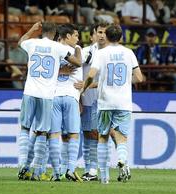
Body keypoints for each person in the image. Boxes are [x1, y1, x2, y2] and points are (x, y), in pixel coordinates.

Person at [17, 22, 81, 180]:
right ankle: (37, 171)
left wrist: (32, 29)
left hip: (29, 91)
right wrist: (77, 50)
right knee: (42, 132)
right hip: (46, 95)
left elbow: (20, 42)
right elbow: (78, 63)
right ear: (55, 34)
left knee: (25, 129)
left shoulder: (32, 43)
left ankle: (22, 166)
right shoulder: (58, 47)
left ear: (42, 31)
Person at [82, 24, 144, 184]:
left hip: (105, 102)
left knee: (102, 137)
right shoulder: (129, 53)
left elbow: (91, 74)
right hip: (123, 103)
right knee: (121, 137)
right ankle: (122, 159)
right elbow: (139, 78)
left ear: (107, 37)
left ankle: (104, 178)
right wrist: (124, 82)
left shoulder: (102, 53)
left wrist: (84, 87)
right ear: (121, 37)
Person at [48, 24, 82, 181]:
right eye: (75, 35)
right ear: (67, 36)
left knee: (54, 134)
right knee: (74, 134)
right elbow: (79, 66)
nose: (77, 38)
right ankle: (70, 169)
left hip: (53, 96)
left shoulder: (51, 49)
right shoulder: (75, 52)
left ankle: (56, 173)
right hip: (70, 96)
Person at [80, 22, 109, 182]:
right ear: (92, 35)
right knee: (87, 134)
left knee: (99, 134)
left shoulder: (112, 54)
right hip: (88, 99)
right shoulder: (86, 53)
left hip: (105, 101)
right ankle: (88, 168)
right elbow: (76, 66)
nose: (102, 35)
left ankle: (95, 168)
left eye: (104, 32)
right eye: (99, 32)